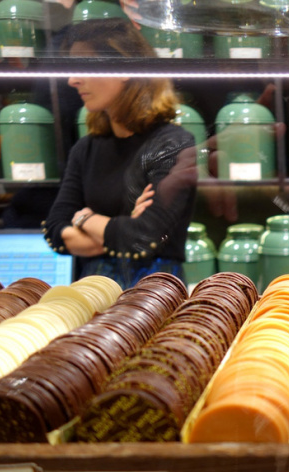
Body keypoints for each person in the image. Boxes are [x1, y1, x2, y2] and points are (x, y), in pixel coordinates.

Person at [42, 17, 198, 289]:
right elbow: (55, 231)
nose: (72, 80)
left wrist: (84, 218)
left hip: (155, 295)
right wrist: (119, 229)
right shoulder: (86, 148)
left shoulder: (172, 144)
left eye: (84, 67)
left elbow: (143, 238)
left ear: (125, 67)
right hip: (91, 296)